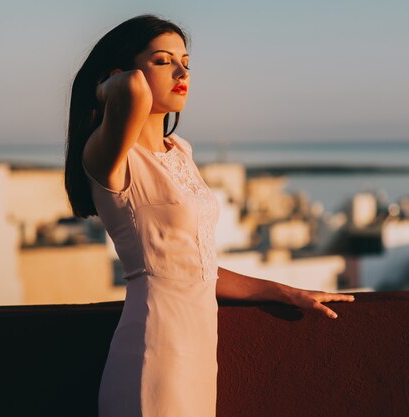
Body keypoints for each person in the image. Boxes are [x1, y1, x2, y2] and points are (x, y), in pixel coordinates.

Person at [64, 14, 356, 417]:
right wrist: (101, 86)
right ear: (121, 73)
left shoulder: (180, 151)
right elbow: (131, 89)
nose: (182, 71)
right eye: (163, 61)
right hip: (153, 348)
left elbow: (198, 270)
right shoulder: (108, 156)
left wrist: (285, 292)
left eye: (186, 62)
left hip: (198, 351)